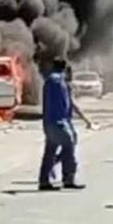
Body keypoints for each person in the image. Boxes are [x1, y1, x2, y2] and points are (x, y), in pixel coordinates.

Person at [38, 58, 93, 191]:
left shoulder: (49, 81)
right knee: (69, 147)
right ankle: (68, 178)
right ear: (65, 69)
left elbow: (68, 104)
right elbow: (68, 104)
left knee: (50, 151)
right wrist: (85, 120)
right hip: (60, 123)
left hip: (49, 122)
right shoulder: (60, 82)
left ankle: (44, 180)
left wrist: (85, 119)